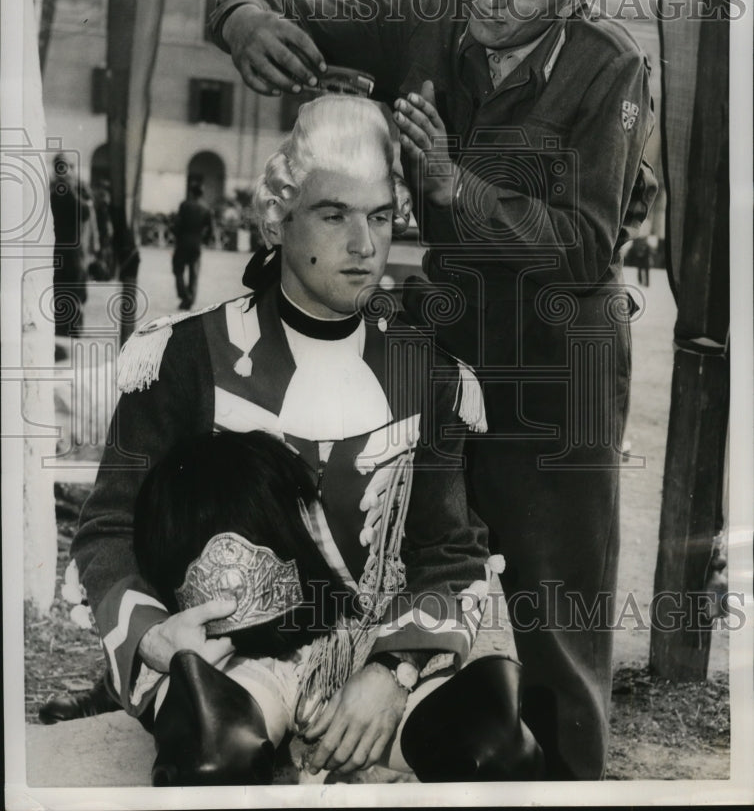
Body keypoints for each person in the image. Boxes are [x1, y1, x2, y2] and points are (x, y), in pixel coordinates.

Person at [207, 0, 658, 779]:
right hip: (450, 345)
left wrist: (455, 183)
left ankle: (568, 782)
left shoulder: (610, 70)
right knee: (410, 564)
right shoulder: (433, 13)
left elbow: (584, 244)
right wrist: (247, 23)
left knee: (555, 618)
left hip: (557, 363)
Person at [71, 95, 543, 786]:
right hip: (238, 652)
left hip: (390, 635)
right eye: (334, 215)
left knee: (495, 754)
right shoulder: (185, 357)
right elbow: (106, 531)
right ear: (278, 217)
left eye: (380, 217)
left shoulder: (428, 373)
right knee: (213, 758)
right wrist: (152, 636)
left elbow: (450, 552)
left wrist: (394, 667)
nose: (363, 245)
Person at [49, 156, 91, 343]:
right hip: (73, 250)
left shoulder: (50, 192)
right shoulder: (69, 191)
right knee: (74, 289)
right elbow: (85, 212)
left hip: (55, 249)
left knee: (58, 288)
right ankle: (73, 327)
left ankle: (60, 326)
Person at [172, 182, 213, 309]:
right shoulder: (206, 208)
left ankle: (185, 296)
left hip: (183, 241)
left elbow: (177, 224)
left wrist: (176, 236)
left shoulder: (184, 205)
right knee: (193, 272)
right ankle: (190, 298)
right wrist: (205, 240)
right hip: (196, 243)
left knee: (178, 269)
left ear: (191, 192)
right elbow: (211, 229)